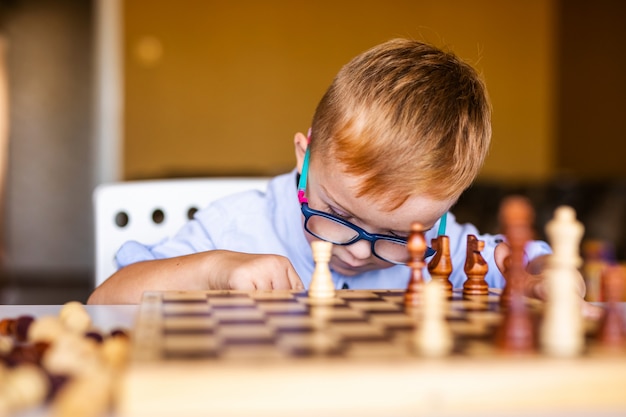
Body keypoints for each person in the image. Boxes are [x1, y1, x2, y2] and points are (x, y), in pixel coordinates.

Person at [87, 38, 579, 307]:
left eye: (398, 235)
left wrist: (547, 277)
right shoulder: (237, 226)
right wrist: (214, 271)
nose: (362, 252)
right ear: (303, 159)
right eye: (338, 214)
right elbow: (105, 300)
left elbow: (527, 262)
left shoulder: (442, 247)